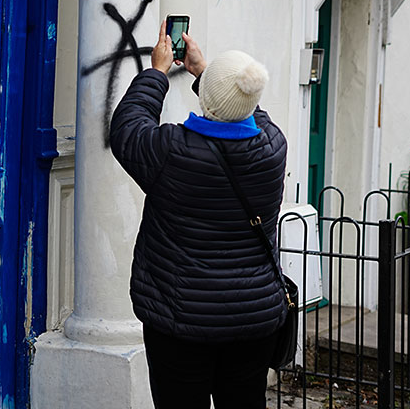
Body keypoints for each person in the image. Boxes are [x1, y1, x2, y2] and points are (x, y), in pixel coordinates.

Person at [109, 23, 289, 409]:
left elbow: (127, 128)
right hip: (253, 320)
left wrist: (157, 72)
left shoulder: (172, 151)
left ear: (207, 98)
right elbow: (246, 110)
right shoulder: (273, 147)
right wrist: (207, 73)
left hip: (180, 322)